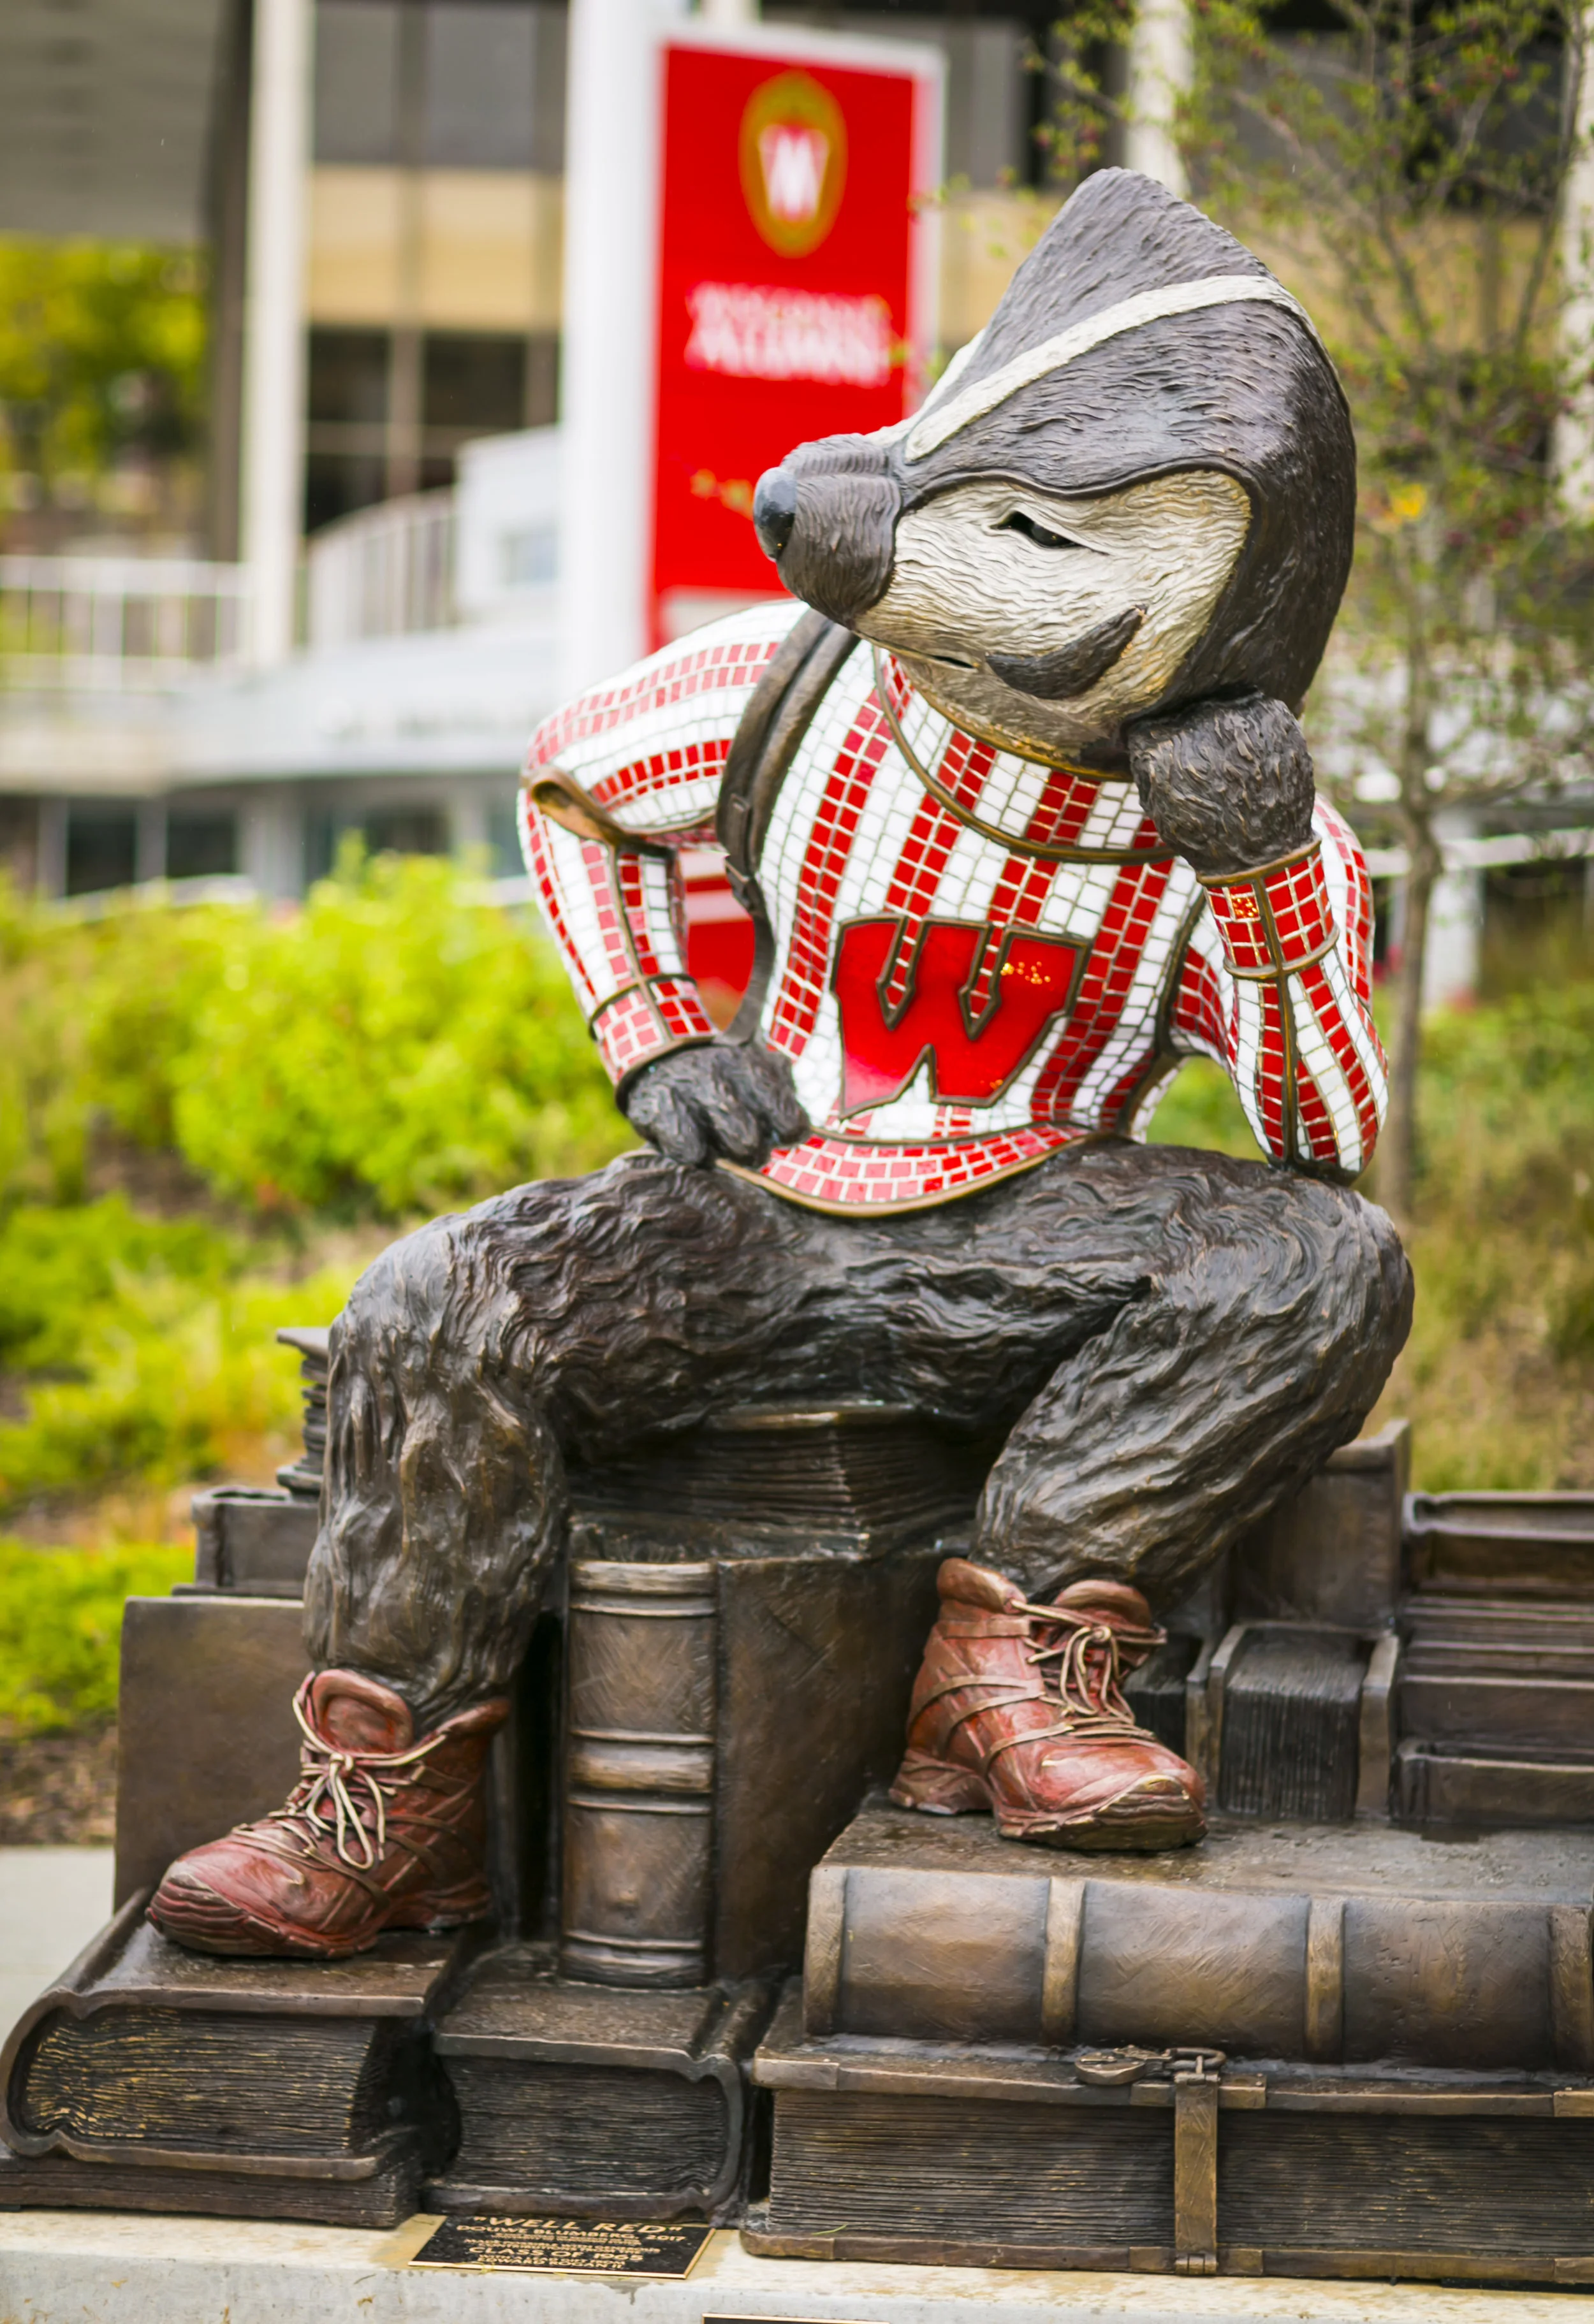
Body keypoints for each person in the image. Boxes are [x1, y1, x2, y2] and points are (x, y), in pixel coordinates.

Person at [149, 170, 1409, 1960]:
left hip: (1040, 1222)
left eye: (1038, 539)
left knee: (1326, 1262)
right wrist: (652, 1025)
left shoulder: (1267, 843)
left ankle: (1016, 1660)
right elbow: (576, 787)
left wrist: (1265, 881)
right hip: (759, 1206)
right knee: (435, 1298)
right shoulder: (791, 691)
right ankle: (386, 1797)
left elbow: (1317, 1135)